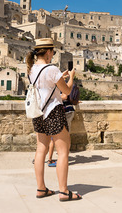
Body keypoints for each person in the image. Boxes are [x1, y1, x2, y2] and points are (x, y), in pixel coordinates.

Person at [26, 38, 82, 201]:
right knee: (63, 151)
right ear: (49, 52)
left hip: (38, 113)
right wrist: (70, 76)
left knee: (40, 150)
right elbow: (67, 90)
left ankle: (41, 188)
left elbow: (46, 87)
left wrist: (59, 77)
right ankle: (64, 191)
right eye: (53, 51)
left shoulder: (31, 69)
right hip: (53, 112)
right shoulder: (52, 69)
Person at [46, 92, 76, 168]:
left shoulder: (58, 83)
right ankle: (57, 159)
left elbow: (65, 96)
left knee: (55, 137)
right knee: (59, 137)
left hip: (61, 112)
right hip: (59, 112)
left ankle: (54, 159)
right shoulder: (59, 83)